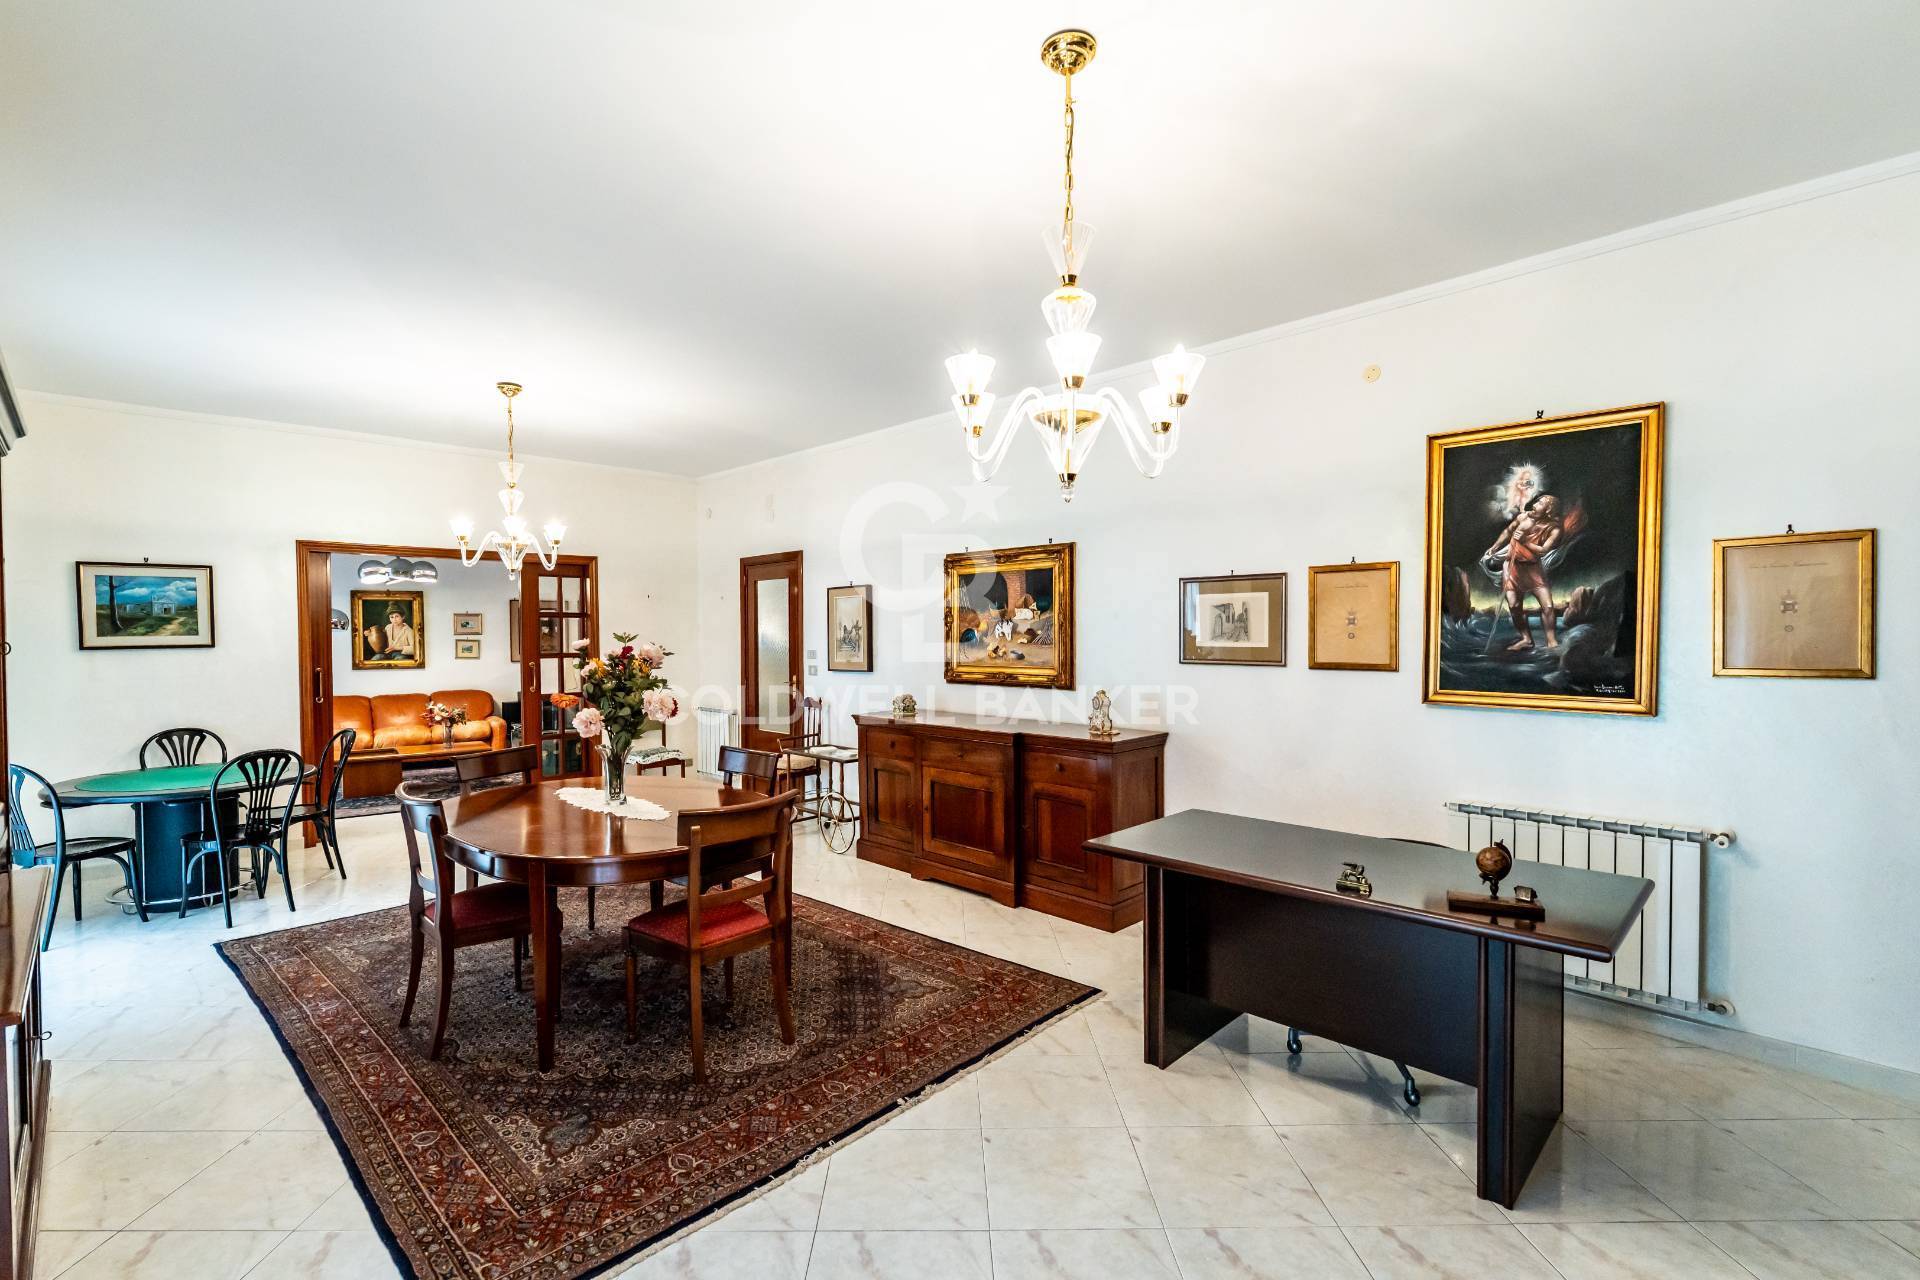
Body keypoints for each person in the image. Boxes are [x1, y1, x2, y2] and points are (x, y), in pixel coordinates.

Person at [1486, 494, 1565, 650]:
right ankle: (1526, 639)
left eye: (1541, 503)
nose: (1535, 504)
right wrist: (1495, 547)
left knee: (1548, 606)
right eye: (1537, 501)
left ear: (1548, 510)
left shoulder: (1554, 528)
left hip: (1532, 568)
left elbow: (1543, 550)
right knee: (1514, 605)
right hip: (1512, 567)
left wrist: (1524, 541)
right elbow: (1508, 531)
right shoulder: (1523, 517)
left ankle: (1551, 641)